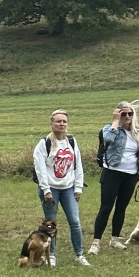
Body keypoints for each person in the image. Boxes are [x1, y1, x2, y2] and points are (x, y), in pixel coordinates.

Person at [32, 110, 90, 267]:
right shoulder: (44, 143)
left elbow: (77, 166)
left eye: (64, 121)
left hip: (68, 188)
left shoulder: (71, 141)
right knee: (51, 223)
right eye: (58, 121)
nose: (62, 124)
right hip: (51, 189)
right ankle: (51, 255)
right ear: (51, 124)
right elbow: (40, 169)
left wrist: (78, 187)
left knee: (75, 221)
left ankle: (79, 254)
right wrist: (46, 190)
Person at [89, 101, 139, 254]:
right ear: (118, 114)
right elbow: (107, 139)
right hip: (112, 173)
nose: (127, 116)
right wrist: (115, 121)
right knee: (106, 208)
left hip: (130, 175)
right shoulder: (110, 129)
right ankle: (96, 242)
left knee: (121, 208)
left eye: (130, 113)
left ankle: (115, 239)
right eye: (124, 113)